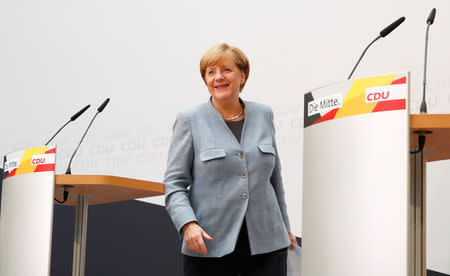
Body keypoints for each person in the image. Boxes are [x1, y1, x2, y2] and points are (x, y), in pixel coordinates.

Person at [164, 43, 298, 276]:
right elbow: (174, 185)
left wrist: (285, 226)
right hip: (209, 244)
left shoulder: (264, 114)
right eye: (210, 72)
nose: (218, 77)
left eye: (226, 70)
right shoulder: (189, 120)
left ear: (242, 75)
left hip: (267, 243)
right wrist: (188, 224)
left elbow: (275, 180)